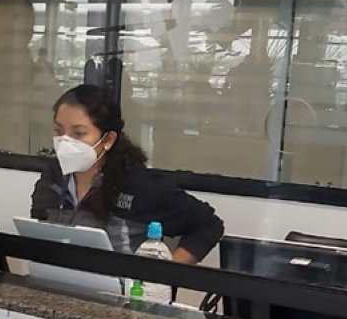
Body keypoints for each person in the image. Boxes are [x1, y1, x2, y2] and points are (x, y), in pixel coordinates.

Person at [31, 84, 224, 264]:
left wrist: (165, 274)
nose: (65, 142)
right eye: (59, 131)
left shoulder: (139, 185)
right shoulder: (52, 180)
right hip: (55, 288)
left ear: (108, 140)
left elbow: (209, 225)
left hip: (120, 294)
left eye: (79, 133)